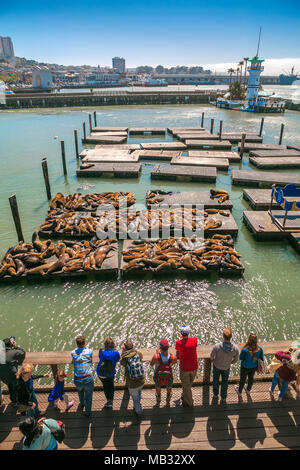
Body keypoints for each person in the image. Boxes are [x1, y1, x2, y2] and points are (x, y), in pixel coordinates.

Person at [210, 328, 239, 403]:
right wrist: (230, 362)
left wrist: (214, 361)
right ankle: (223, 397)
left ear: (223, 336)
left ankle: (215, 394)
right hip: (226, 367)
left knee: (215, 380)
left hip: (217, 366)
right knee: (225, 382)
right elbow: (236, 359)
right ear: (231, 337)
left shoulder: (217, 346)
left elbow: (211, 356)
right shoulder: (235, 348)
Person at [175, 325, 198, 408]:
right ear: (188, 333)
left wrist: (181, 339)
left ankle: (189, 403)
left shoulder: (178, 343)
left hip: (184, 368)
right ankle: (185, 396)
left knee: (186, 385)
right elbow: (190, 342)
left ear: (181, 333)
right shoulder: (195, 340)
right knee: (188, 384)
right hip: (194, 366)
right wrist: (183, 337)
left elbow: (177, 355)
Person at [71, 335, 94, 418]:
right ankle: (87, 412)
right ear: (85, 343)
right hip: (88, 378)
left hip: (78, 379)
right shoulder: (90, 351)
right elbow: (90, 358)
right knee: (89, 396)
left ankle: (82, 402)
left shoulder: (73, 353)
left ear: (77, 344)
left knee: (80, 391)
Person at [120, 340, 145, 417]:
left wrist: (123, 351)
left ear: (125, 348)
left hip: (132, 383)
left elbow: (121, 363)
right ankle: (138, 401)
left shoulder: (124, 358)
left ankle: (139, 412)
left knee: (135, 399)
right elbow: (141, 357)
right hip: (141, 380)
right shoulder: (138, 353)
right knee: (139, 393)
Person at [235, 333, 264, 397]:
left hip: (245, 367)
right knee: (251, 378)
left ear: (249, 340)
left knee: (242, 379)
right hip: (253, 367)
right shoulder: (259, 349)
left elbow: (240, 358)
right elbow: (262, 358)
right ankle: (248, 390)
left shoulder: (245, 350)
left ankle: (239, 391)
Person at [0, 337, 26, 406]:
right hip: (13, 376)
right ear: (11, 344)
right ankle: (19, 402)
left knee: (11, 388)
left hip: (3, 377)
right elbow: (23, 353)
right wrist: (15, 347)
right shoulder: (13, 352)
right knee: (16, 388)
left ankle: (14, 401)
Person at [150, 339, 177, 403]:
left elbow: (151, 364)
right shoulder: (173, 357)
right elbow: (175, 362)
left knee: (158, 387)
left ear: (160, 348)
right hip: (169, 375)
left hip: (158, 375)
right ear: (168, 348)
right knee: (169, 386)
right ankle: (168, 396)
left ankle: (159, 397)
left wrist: (157, 353)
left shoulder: (156, 356)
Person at [96, 337, 120, 408]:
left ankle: (108, 400)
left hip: (101, 373)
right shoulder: (116, 353)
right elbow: (118, 359)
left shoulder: (102, 352)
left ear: (105, 345)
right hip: (110, 374)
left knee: (105, 386)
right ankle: (110, 401)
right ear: (113, 345)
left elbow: (100, 358)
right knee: (111, 386)